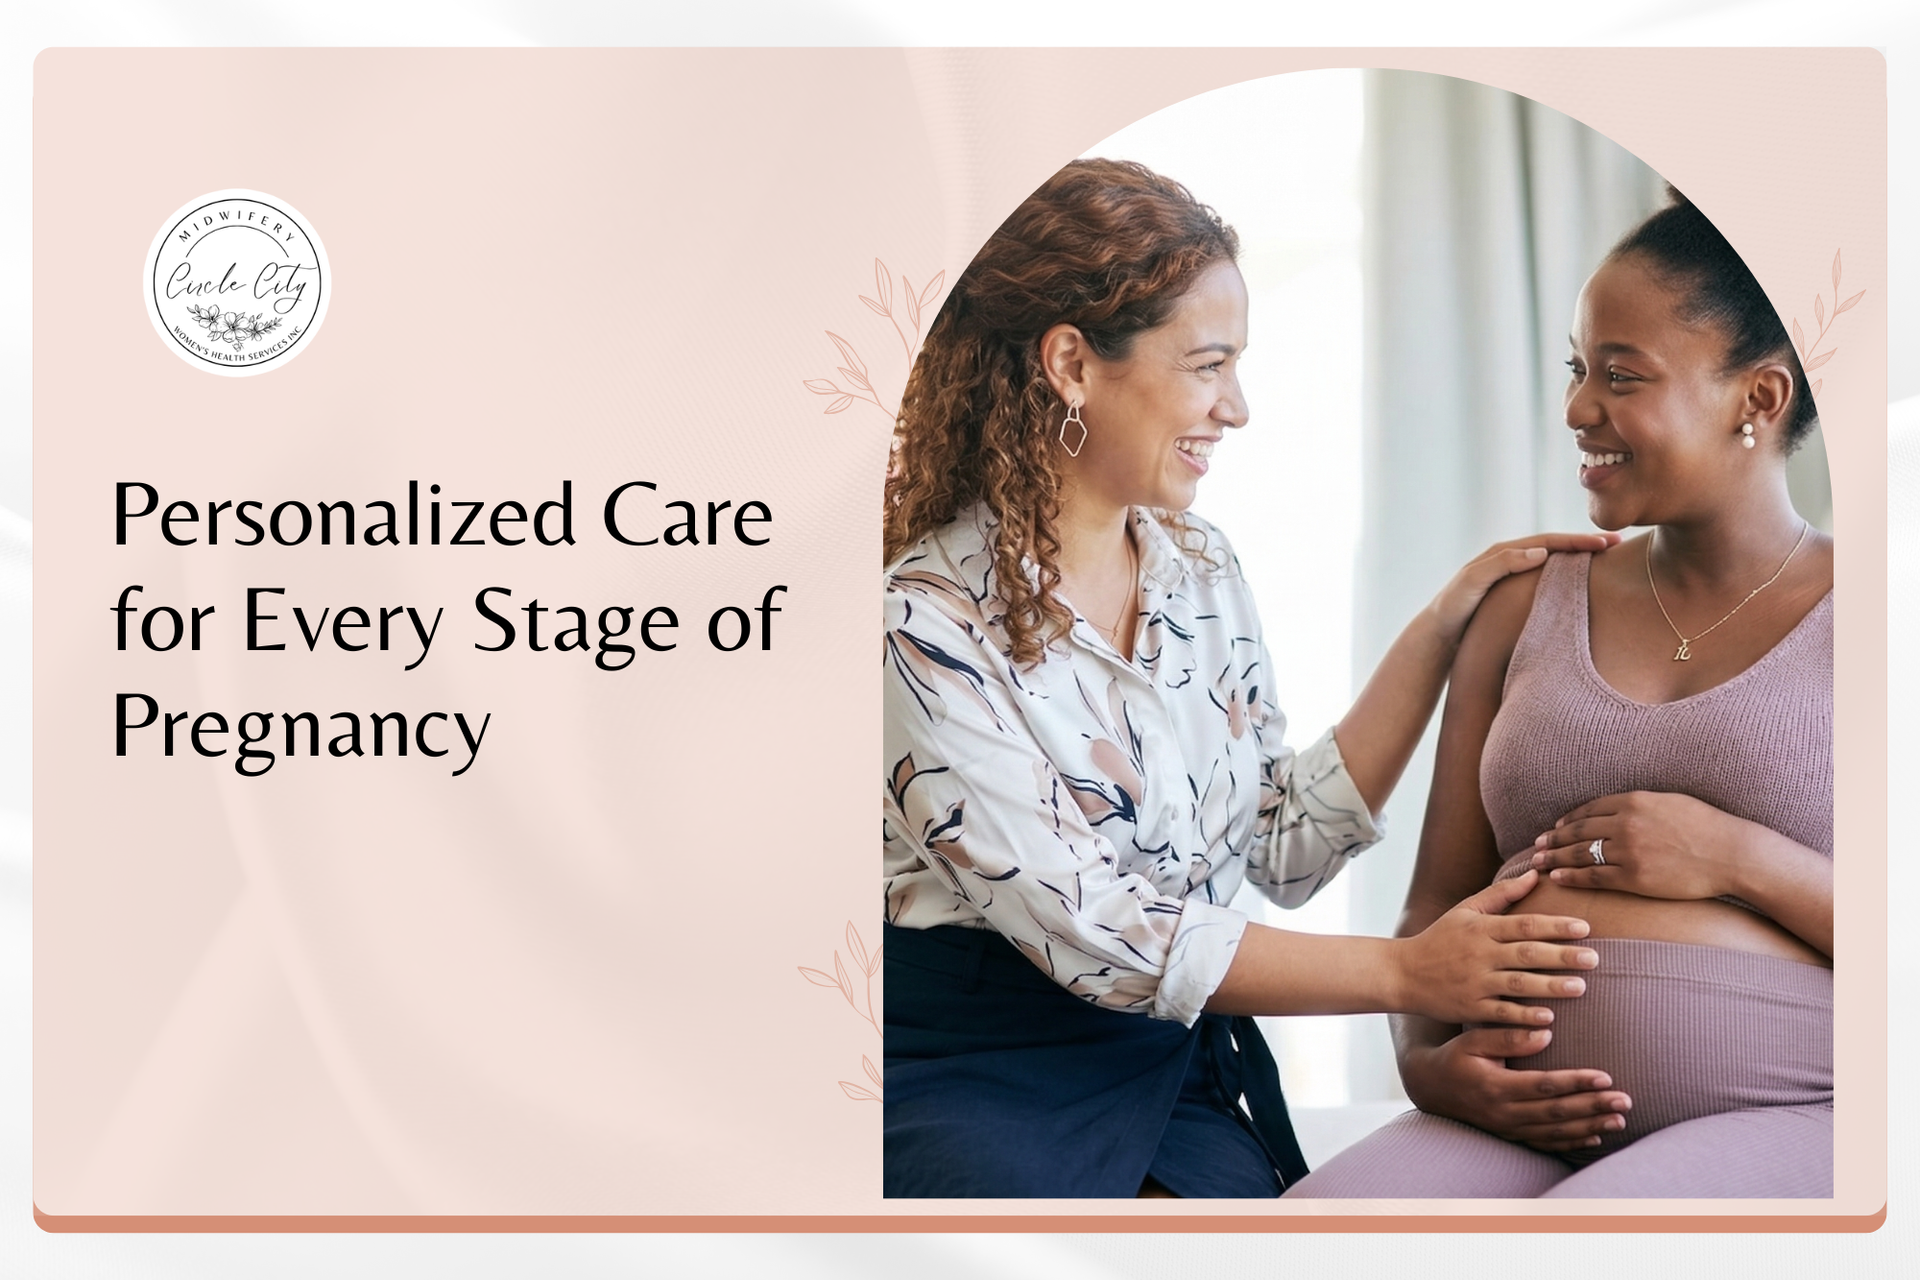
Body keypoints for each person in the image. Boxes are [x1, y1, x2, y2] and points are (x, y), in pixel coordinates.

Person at [881, 158, 1617, 1199]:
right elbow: (1105, 931)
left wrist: (1441, 631)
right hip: (969, 1074)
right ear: (1071, 364)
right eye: (1208, 364)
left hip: (1163, 1069)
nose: (1238, 406)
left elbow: (1277, 841)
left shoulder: (1199, 568)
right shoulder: (921, 624)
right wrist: (1411, 972)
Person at [1285, 188, 1834, 1199]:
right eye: (1577, 368)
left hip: (1805, 1107)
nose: (1579, 407)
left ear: (1759, 397)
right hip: (1515, 1112)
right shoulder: (1523, 598)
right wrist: (1427, 1066)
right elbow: (1437, 899)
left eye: (1621, 376)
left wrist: (1732, 857)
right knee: (1312, 1230)